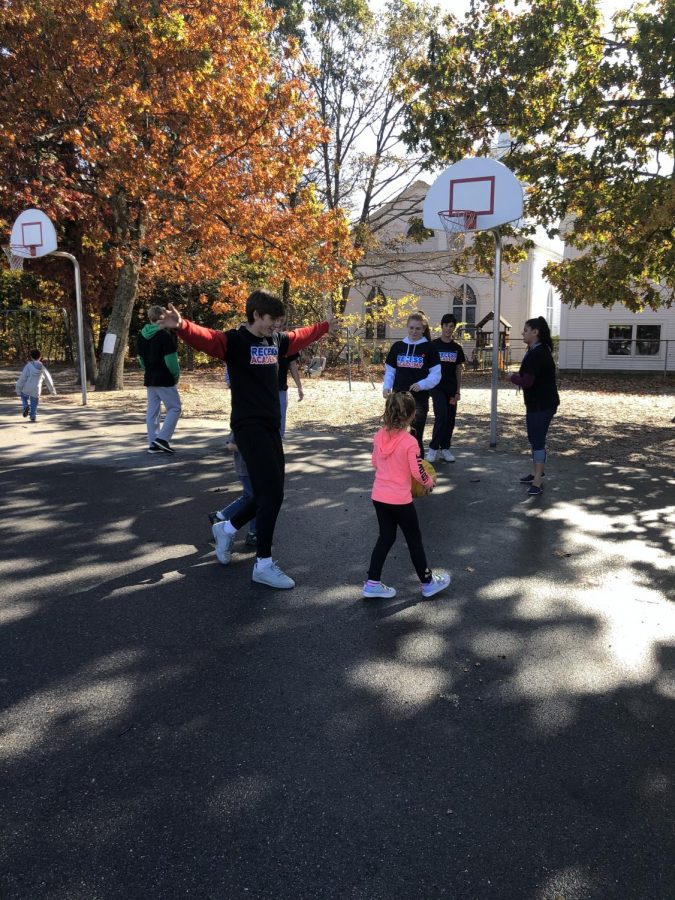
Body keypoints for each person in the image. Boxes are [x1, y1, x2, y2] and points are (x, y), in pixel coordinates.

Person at [158, 290, 338, 589]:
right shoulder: (235, 342)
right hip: (247, 427)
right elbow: (208, 338)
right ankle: (263, 564)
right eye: (272, 320)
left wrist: (324, 326)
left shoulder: (276, 341)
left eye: (279, 322)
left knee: (272, 492)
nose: (276, 326)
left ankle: (227, 528)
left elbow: (300, 335)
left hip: (270, 426)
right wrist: (182, 326)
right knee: (270, 494)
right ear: (256, 315)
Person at [362, 391, 451, 600]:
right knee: (413, 539)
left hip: (379, 497)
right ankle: (428, 582)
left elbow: (375, 463)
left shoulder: (379, 435)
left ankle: (372, 582)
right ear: (412, 415)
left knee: (385, 537)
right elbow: (416, 470)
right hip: (400, 500)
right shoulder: (409, 441)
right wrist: (429, 483)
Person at [505, 316, 560, 496]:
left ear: (535, 332)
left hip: (542, 405)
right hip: (539, 404)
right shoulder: (537, 350)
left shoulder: (537, 353)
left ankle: (537, 480)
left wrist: (511, 377)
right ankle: (537, 471)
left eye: (526, 330)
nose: (523, 332)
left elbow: (527, 381)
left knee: (537, 440)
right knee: (534, 437)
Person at [383, 311, 441, 458]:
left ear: (423, 329)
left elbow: (436, 374)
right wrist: (386, 386)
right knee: (395, 432)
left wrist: (422, 384)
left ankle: (417, 468)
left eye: (418, 328)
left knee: (415, 434)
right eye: (411, 328)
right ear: (407, 327)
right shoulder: (398, 347)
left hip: (419, 400)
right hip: (398, 398)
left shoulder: (430, 348)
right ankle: (395, 464)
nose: (414, 331)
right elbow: (390, 371)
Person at [137, 305, 182, 454]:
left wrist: (148, 370)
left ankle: (153, 442)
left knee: (153, 411)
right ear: (163, 318)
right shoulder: (164, 336)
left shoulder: (141, 335)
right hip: (164, 377)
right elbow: (171, 360)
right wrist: (175, 376)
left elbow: (141, 359)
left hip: (150, 377)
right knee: (175, 408)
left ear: (150, 318)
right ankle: (162, 439)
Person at [428, 313, 466, 463]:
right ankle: (432, 448)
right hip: (436, 387)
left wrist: (458, 391)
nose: (448, 329)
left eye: (451, 326)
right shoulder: (434, 345)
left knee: (450, 419)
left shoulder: (457, 348)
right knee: (441, 416)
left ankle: (445, 448)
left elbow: (458, 371)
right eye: (446, 326)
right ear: (441, 326)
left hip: (451, 389)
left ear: (454, 328)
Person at [208, 433, 257, 548]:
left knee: (249, 497)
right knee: (255, 499)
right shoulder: (241, 423)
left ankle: (220, 516)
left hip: (256, 468)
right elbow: (230, 446)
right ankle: (253, 533)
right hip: (245, 469)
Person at [15, 348, 56, 421]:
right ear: (40, 357)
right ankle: (33, 416)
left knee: (23, 397)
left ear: (31, 357)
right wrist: (52, 391)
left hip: (27, 387)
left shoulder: (28, 366)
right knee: (34, 402)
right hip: (37, 388)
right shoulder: (42, 368)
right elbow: (48, 379)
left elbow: (23, 378)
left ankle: (25, 407)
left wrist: (18, 388)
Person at [278, 345, 304, 438]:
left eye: (279, 328)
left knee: (281, 416)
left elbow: (293, 366)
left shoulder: (287, 344)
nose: (275, 329)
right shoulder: (259, 340)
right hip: (262, 389)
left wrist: (299, 387)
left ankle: (279, 440)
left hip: (281, 388)